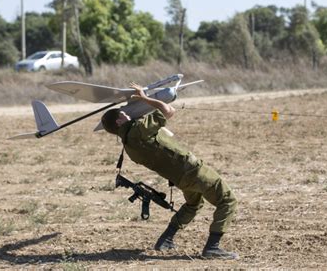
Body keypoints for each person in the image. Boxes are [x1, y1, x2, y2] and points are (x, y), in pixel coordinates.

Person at [101, 82, 238, 260]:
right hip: (193, 171)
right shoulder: (139, 131)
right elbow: (168, 111)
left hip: (180, 179)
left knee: (193, 204)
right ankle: (212, 247)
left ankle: (166, 239)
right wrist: (144, 98)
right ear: (120, 121)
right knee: (227, 201)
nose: (128, 114)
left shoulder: (129, 147)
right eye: (124, 114)